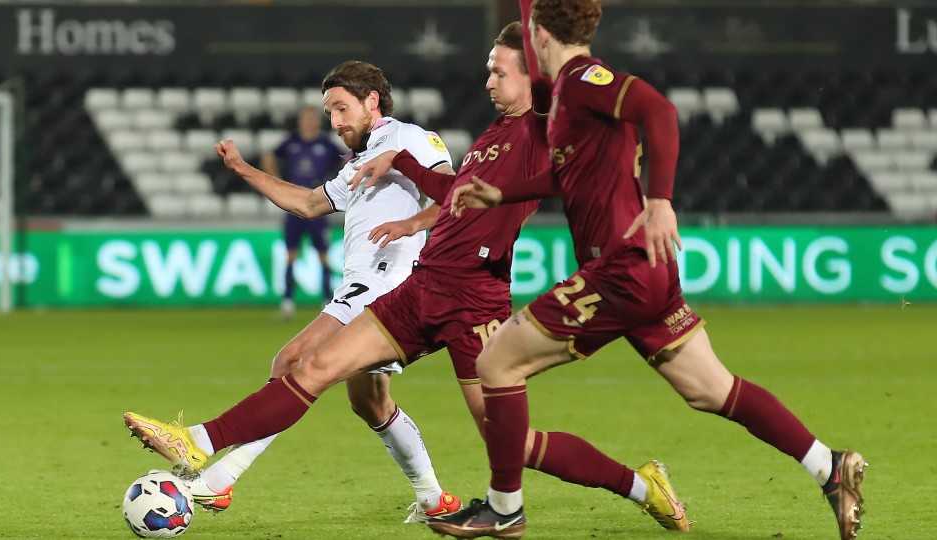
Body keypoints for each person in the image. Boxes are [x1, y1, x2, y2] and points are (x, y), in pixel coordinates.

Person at [123, 22, 689, 534]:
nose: (488, 81)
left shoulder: (526, 129)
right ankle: (203, 446)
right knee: (331, 379)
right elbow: (419, 195)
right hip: (423, 286)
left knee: (507, 440)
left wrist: (411, 217)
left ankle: (640, 487)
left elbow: (464, 186)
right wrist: (256, 168)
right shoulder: (483, 136)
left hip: (463, 295)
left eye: (499, 71)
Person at [428, 1, 868, 539]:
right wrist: (503, 193)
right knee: (710, 389)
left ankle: (504, 509)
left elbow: (659, 110)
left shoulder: (585, 80)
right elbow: (568, 176)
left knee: (496, 363)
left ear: (539, 35)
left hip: (620, 271)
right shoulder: (565, 94)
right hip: (646, 271)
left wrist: (660, 201)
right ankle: (829, 466)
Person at [171, 60, 464, 523]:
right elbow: (308, 203)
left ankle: (220, 480)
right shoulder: (360, 163)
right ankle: (434, 500)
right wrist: (243, 169)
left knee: (292, 361)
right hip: (368, 282)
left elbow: (457, 194)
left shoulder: (410, 137)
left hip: (385, 281)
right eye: (329, 112)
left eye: (341, 108)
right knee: (370, 402)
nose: (335, 121)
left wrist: (411, 224)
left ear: (372, 101)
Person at [260, 105, 344, 319]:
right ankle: (288, 301)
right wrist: (277, 180)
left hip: (319, 205)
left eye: (312, 118)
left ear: (317, 121)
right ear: (300, 121)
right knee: (291, 255)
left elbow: (346, 161)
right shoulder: (291, 142)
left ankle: (327, 300)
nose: (308, 122)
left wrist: (334, 185)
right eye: (305, 118)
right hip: (294, 206)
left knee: (323, 255)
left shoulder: (326, 144)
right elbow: (269, 157)